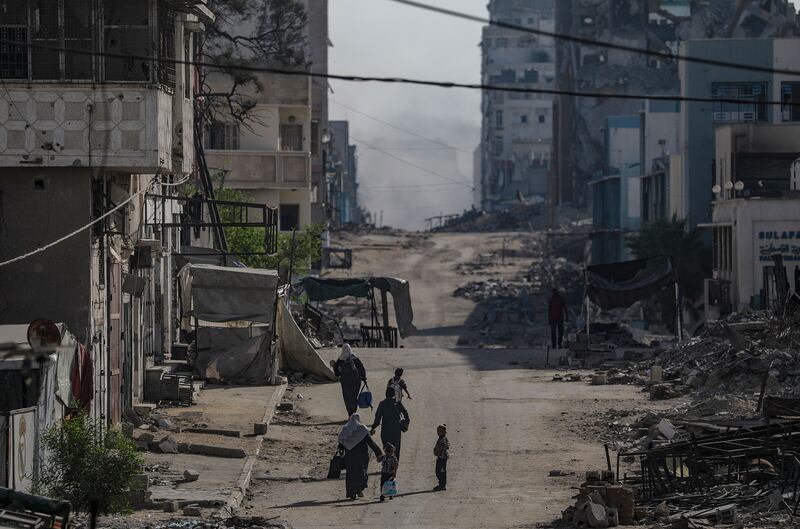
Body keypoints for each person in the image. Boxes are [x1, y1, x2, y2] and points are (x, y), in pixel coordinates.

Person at [338, 413, 383, 500]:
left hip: (350, 457)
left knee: (351, 474)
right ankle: (359, 490)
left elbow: (341, 441)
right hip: (362, 456)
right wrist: (378, 453)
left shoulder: (345, 430)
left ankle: (351, 493)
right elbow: (371, 443)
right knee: (362, 473)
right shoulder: (362, 429)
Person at [371, 387, 411, 460]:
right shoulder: (398, 403)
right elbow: (406, 414)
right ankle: (395, 466)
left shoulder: (382, 404)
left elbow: (377, 420)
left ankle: (387, 465)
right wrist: (406, 423)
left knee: (387, 449)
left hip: (385, 431)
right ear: (393, 394)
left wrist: (372, 428)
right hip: (396, 431)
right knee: (396, 449)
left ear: (386, 394)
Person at [332, 344, 367, 417]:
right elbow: (362, 369)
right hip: (356, 381)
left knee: (347, 397)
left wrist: (337, 373)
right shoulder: (355, 358)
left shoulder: (340, 359)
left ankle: (350, 413)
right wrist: (364, 378)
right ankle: (354, 412)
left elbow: (336, 371)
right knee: (354, 397)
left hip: (345, 382)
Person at [433, 424, 449, 491]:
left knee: (440, 471)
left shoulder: (443, 439)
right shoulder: (442, 438)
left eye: (440, 431)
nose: (438, 432)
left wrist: (436, 451)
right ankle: (441, 484)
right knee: (438, 471)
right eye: (437, 431)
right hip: (440, 457)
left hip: (442, 458)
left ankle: (442, 485)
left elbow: (443, 447)